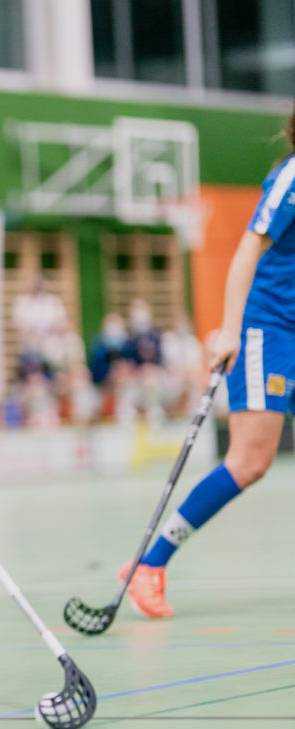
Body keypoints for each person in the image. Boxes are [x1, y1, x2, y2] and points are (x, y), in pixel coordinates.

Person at [119, 102, 295, 618]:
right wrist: (230, 329)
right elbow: (245, 253)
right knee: (250, 461)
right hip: (270, 328)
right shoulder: (291, 179)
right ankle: (150, 562)